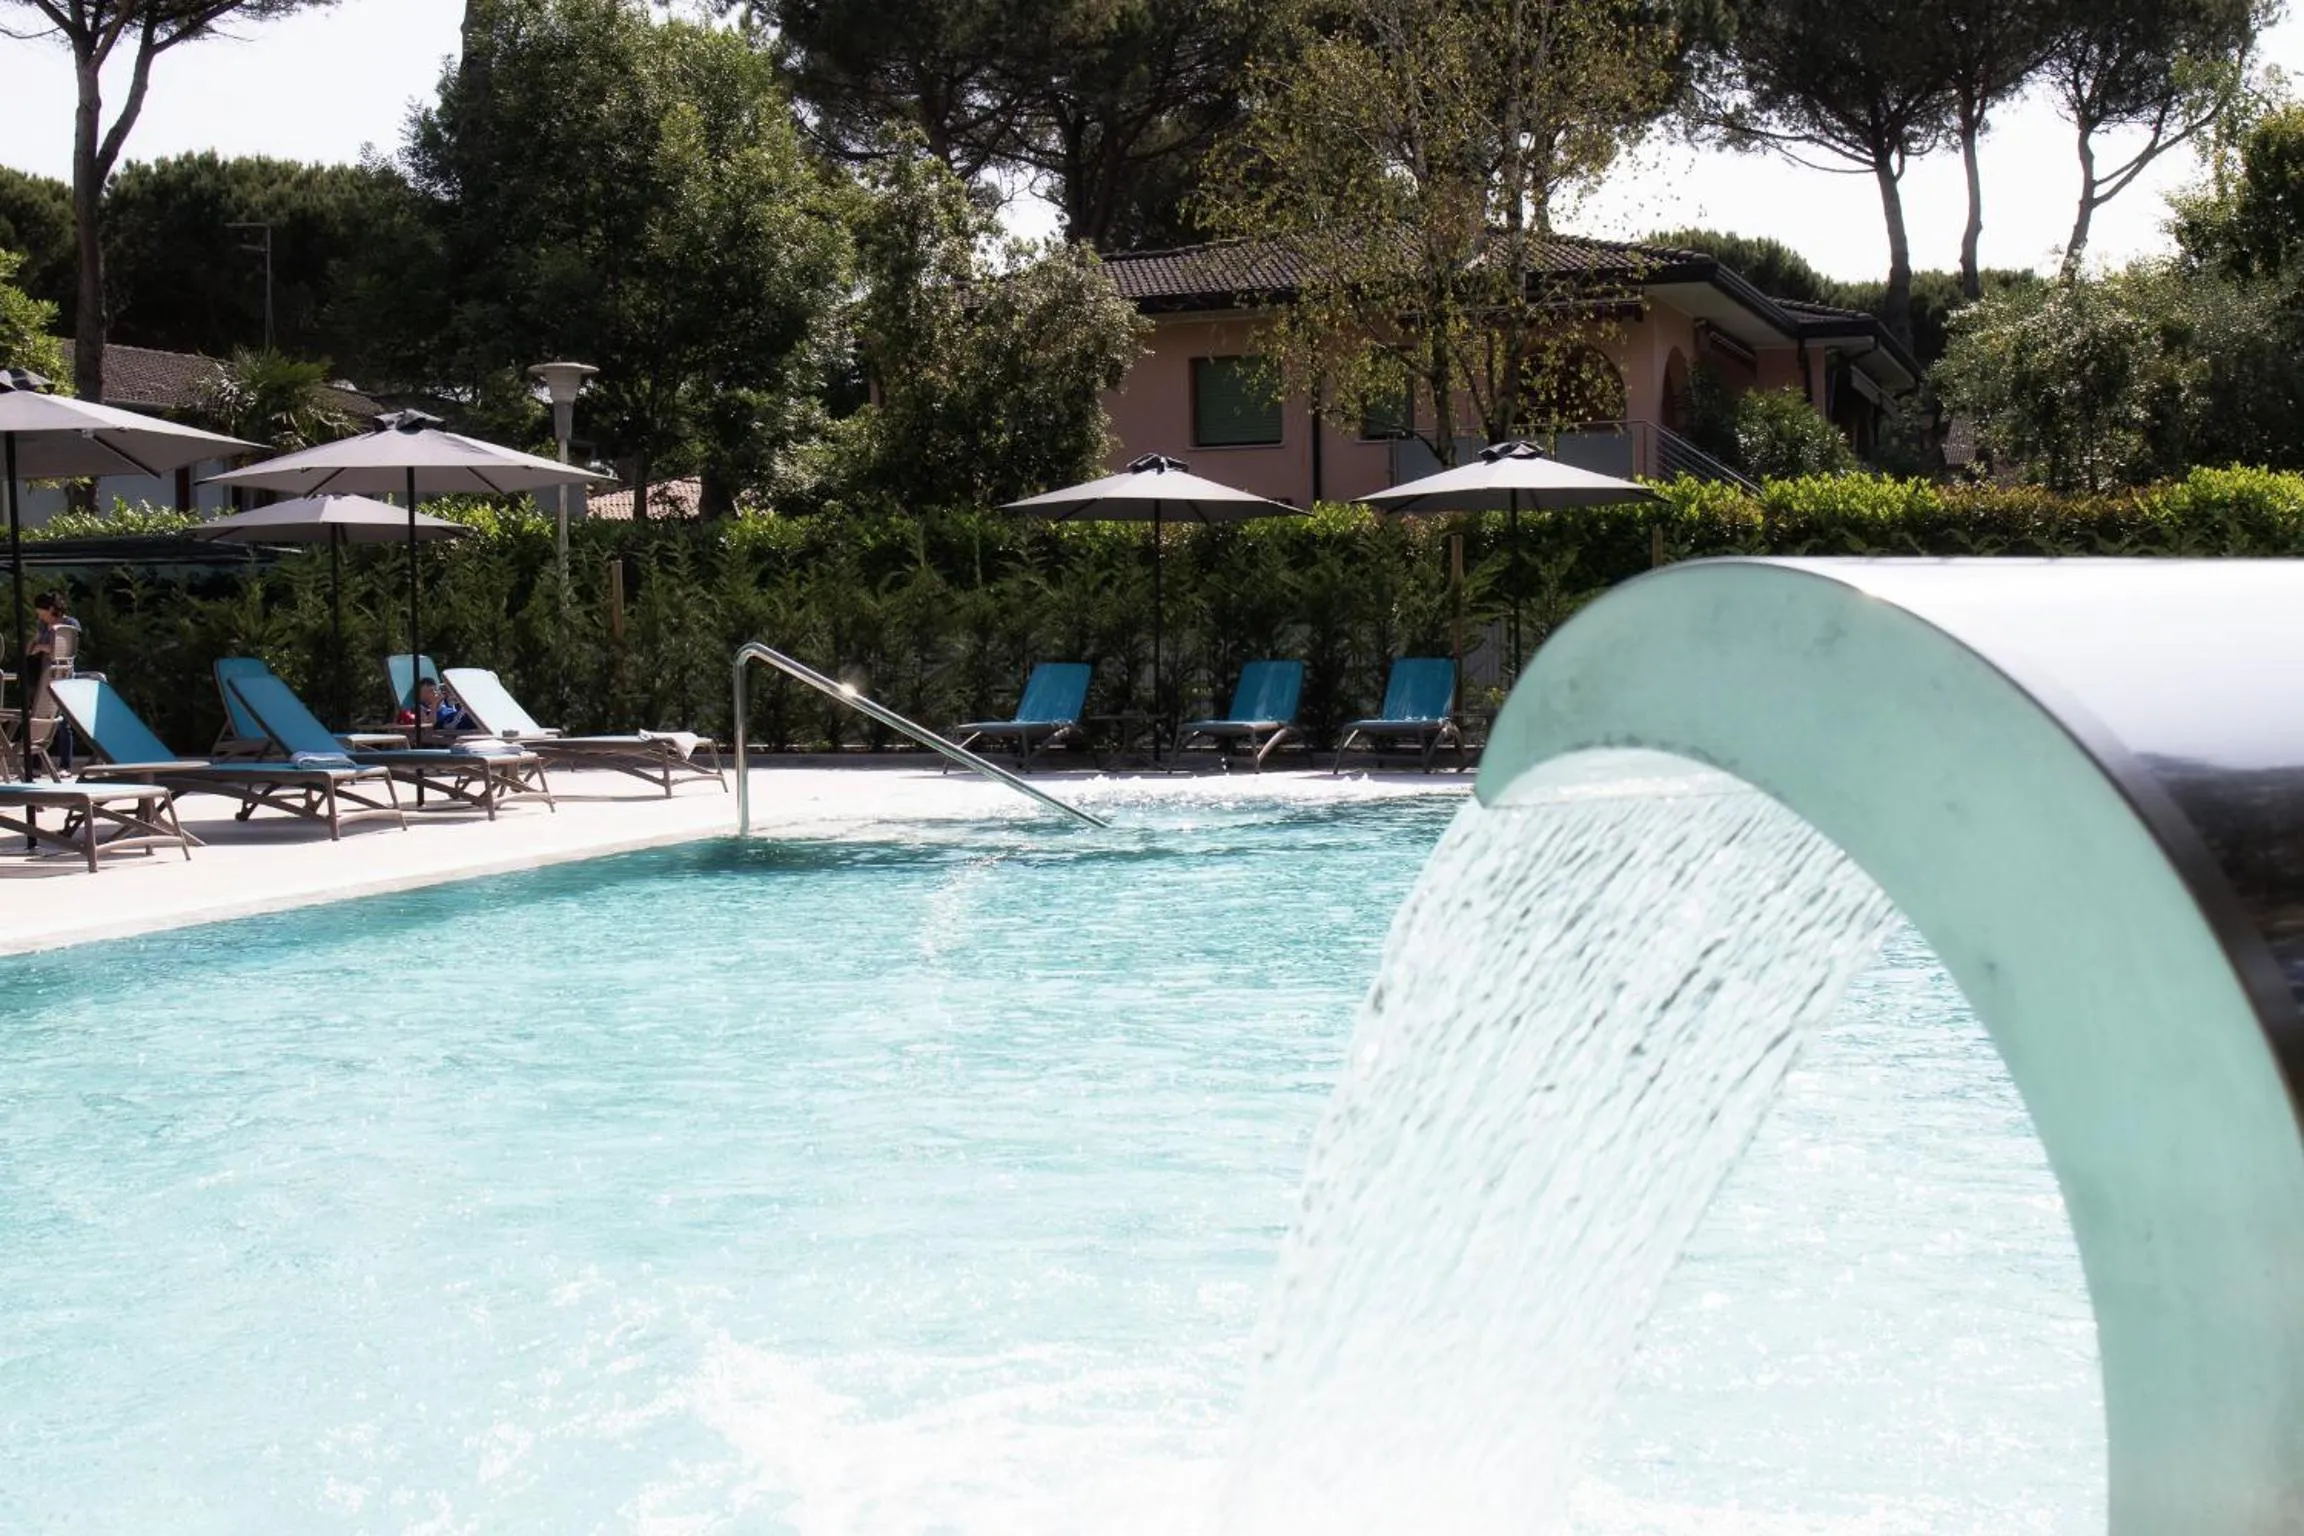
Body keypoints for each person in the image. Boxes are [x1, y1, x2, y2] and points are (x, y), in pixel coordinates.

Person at [397, 676, 469, 732]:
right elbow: (428, 725)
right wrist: (434, 705)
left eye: (435, 689)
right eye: (430, 691)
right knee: (471, 717)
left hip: (456, 717)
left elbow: (453, 706)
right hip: (449, 722)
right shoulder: (420, 708)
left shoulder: (442, 702)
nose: (434, 692)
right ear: (420, 695)